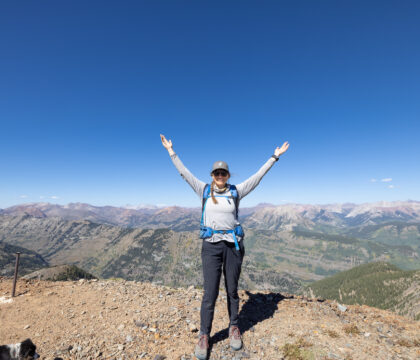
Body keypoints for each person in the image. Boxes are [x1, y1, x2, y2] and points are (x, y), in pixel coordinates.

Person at [160, 134, 289, 360]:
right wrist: (172, 152)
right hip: (210, 247)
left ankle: (233, 327)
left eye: (223, 173)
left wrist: (274, 157)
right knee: (209, 293)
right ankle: (204, 335)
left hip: (233, 246)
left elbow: (257, 177)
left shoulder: (236, 191)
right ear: (212, 176)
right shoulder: (204, 190)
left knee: (231, 290)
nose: (220, 176)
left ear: (228, 175)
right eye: (217, 173)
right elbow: (185, 174)